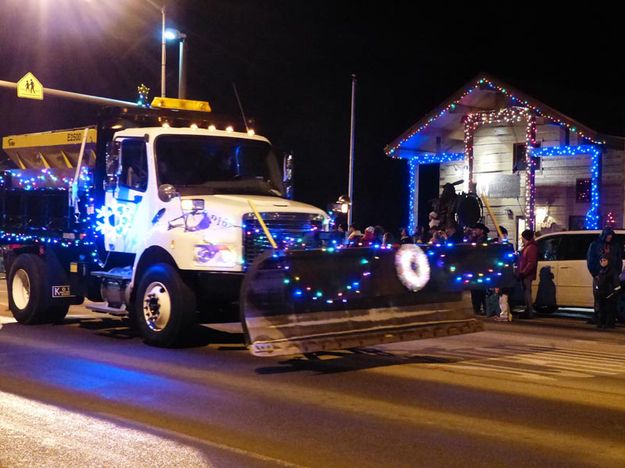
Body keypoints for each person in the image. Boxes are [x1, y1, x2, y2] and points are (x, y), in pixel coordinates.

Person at [587, 227, 623, 324]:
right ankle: (599, 316)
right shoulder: (595, 245)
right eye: (608, 236)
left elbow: (619, 260)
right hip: (600, 275)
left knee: (611, 297)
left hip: (612, 276)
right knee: (599, 295)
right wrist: (595, 273)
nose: (609, 238)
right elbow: (591, 260)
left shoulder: (615, 246)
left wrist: (616, 273)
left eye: (611, 236)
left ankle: (609, 319)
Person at [593, 255, 621, 329]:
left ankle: (609, 324)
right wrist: (597, 290)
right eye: (601, 261)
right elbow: (599, 283)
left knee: (609, 310)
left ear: (608, 261)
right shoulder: (601, 271)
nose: (603, 262)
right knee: (602, 309)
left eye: (604, 260)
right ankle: (602, 323)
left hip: (610, 294)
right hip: (602, 294)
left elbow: (616, 283)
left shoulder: (612, 271)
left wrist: (615, 292)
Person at [517, 229, 538, 318]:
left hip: (527, 275)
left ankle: (529, 312)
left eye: (522, 237)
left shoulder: (531, 247)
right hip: (525, 274)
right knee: (526, 292)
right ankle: (528, 310)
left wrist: (523, 272)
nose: (521, 239)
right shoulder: (528, 247)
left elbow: (531, 263)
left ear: (525, 237)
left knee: (527, 293)